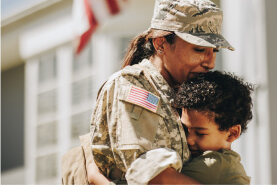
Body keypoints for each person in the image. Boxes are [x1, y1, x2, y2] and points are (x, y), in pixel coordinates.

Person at [61, 0, 234, 185]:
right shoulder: (132, 87)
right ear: (161, 43)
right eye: (199, 49)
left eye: (214, 51)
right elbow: (156, 178)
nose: (210, 62)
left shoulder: (187, 92)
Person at [88, 71, 254, 184]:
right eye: (186, 129)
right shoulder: (224, 163)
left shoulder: (212, 166)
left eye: (200, 133)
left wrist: (95, 173)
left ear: (232, 133)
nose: (189, 139)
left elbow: (156, 180)